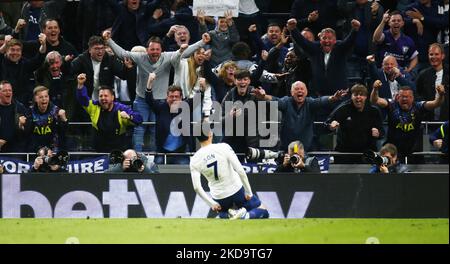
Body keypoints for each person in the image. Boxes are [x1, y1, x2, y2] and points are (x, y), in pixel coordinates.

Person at [190, 125, 269, 220]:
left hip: (219, 197)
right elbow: (240, 170)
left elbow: (197, 187)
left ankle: (227, 214)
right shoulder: (223, 147)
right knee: (264, 211)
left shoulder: (194, 160)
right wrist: (248, 191)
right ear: (210, 134)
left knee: (221, 214)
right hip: (236, 190)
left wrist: (211, 203)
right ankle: (245, 215)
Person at [370, 80, 446, 161]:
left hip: (414, 150)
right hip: (394, 150)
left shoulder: (418, 106)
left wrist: (441, 94)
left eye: (407, 96)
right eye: (402, 96)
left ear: (412, 98)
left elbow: (437, 103)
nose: (404, 99)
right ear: (397, 97)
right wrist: (375, 89)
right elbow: (374, 100)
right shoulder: (392, 105)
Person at [76, 73, 143, 153]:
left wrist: (129, 117)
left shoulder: (121, 108)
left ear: (112, 97)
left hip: (118, 150)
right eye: (101, 96)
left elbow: (139, 119)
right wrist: (80, 84)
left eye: (106, 96)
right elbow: (82, 99)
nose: (103, 98)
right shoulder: (94, 106)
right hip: (98, 150)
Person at [325, 84, 384, 163]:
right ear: (351, 96)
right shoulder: (343, 108)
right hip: (345, 153)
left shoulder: (374, 111)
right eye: (355, 94)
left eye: (361, 95)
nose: (358, 97)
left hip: (367, 153)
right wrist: (330, 126)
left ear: (366, 97)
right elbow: (326, 123)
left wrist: (378, 133)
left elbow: (382, 132)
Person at [25, 85, 68, 152]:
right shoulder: (30, 111)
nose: (44, 99)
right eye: (41, 97)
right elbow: (28, 133)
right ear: (36, 99)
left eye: (46, 96)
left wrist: (64, 120)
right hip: (35, 148)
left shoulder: (56, 110)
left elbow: (63, 131)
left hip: (53, 148)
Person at [0, 80, 28, 153]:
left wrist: (22, 126)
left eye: (10, 90)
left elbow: (28, 131)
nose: (8, 93)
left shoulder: (20, 108)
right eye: (5, 91)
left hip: (16, 149)